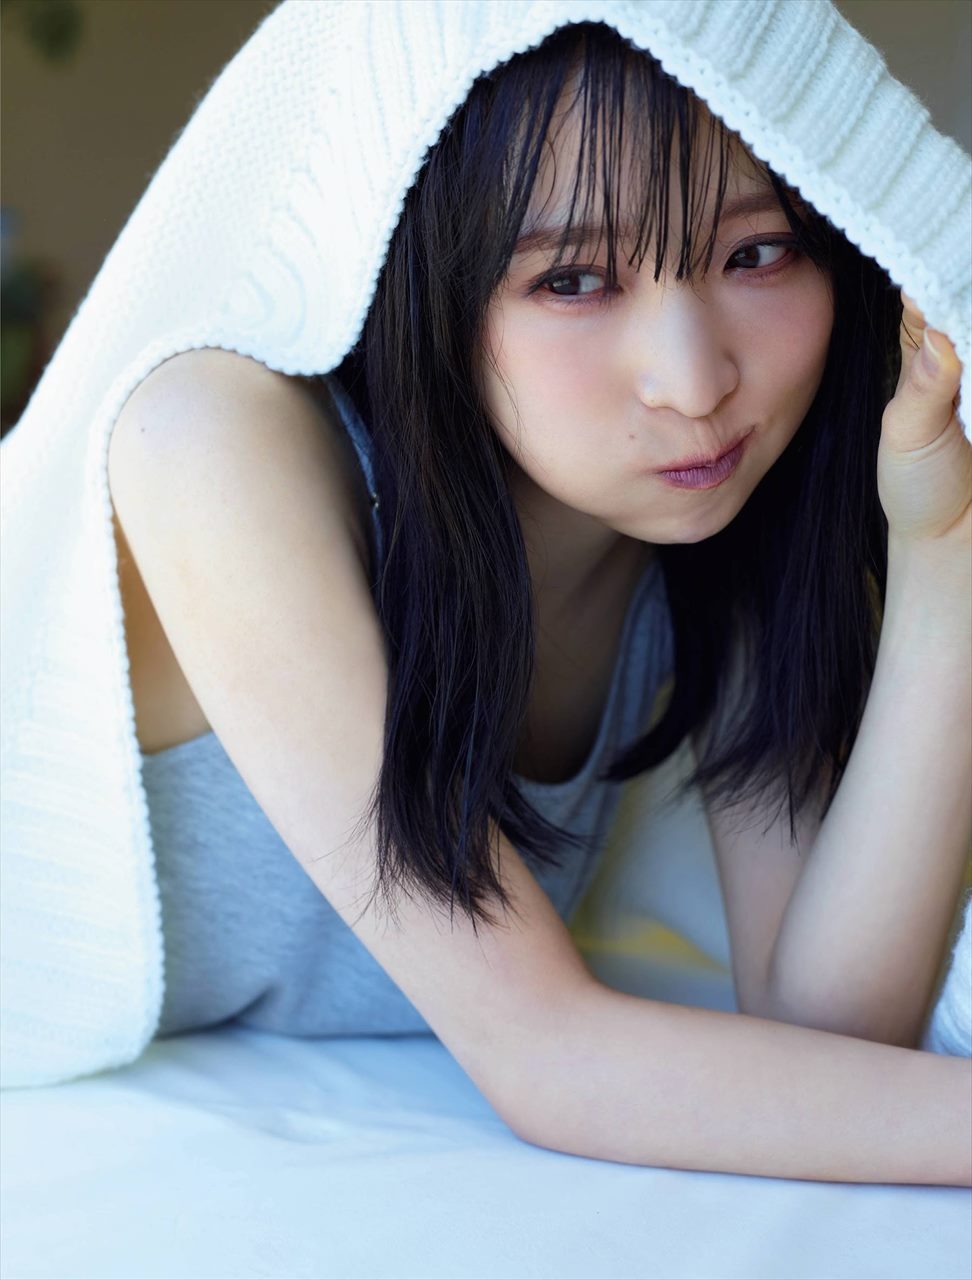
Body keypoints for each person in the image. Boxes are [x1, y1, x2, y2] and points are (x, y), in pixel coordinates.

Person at [2, 2, 970, 1186]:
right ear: (426, 275)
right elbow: (551, 1056)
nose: (694, 380)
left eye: (755, 252)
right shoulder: (209, 436)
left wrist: (945, 553)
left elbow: (825, 1034)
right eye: (574, 279)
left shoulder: (711, 520)